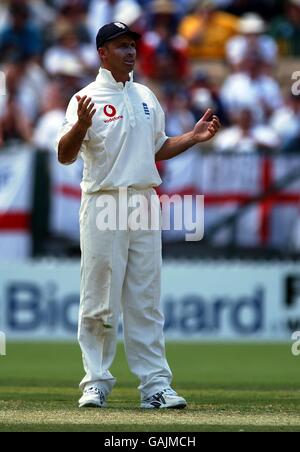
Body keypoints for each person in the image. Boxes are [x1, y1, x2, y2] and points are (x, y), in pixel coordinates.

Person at [56, 21, 220, 409]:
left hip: (145, 202)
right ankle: (95, 382)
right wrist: (80, 124)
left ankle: (155, 386)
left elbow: (156, 147)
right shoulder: (86, 98)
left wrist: (192, 138)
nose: (130, 52)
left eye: (132, 45)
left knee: (145, 300)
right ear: (102, 53)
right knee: (99, 298)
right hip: (103, 202)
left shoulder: (146, 95)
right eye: (121, 46)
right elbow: (64, 155)